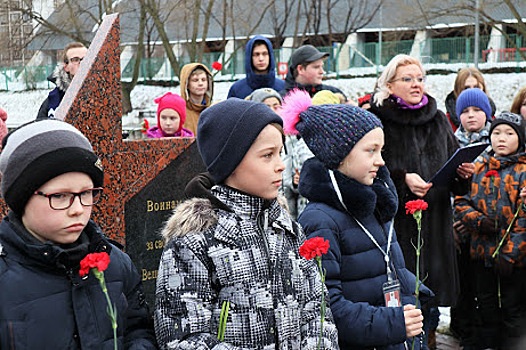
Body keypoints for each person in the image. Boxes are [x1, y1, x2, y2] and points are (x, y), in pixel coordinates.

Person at [154, 98, 340, 349]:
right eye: (267, 156)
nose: (280, 165)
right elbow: (184, 338)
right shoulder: (194, 242)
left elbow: (317, 310)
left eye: (279, 153)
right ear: (230, 162)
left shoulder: (289, 230)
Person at [282, 89, 431, 349]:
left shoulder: (376, 202)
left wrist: (418, 295)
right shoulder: (319, 220)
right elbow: (327, 308)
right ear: (339, 155)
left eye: (381, 150)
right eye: (370, 151)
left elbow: (387, 268)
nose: (381, 161)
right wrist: (393, 323)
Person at [0, 120, 157, 349]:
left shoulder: (115, 263)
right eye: (60, 196)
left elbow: (138, 330)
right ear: (22, 199)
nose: (78, 209)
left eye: (86, 193)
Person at [368, 54, 474, 349]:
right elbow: (368, 170)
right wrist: (402, 180)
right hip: (397, 225)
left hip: (436, 225)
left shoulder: (439, 119)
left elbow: (453, 172)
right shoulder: (376, 120)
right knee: (400, 305)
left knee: (430, 307)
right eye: (407, 79)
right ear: (389, 85)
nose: (416, 85)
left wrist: (463, 174)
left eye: (420, 79)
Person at [454, 112, 526, 350]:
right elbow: (461, 201)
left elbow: (523, 219)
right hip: (481, 253)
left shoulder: (522, 172)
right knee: (485, 305)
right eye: (496, 133)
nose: (501, 139)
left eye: (509, 133)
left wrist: (511, 254)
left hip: (513, 261)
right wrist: (478, 221)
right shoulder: (479, 168)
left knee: (512, 307)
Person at [36, 42, 88, 120]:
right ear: (66, 66)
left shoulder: (104, 91)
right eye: (75, 60)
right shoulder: (53, 100)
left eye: (86, 58)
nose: (82, 63)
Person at [280, 44, 345, 98]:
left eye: (322, 66)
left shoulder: (333, 93)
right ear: (300, 69)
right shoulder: (283, 100)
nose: (322, 71)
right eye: (316, 67)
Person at [444, 67, 496, 132]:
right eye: (466, 88)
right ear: (457, 91)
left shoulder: (496, 123)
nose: (472, 91)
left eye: (476, 87)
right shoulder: (445, 124)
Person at [179, 63, 213, 135]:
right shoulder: (180, 111)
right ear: (187, 84)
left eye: (203, 80)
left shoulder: (213, 109)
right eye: (195, 80)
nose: (200, 83)